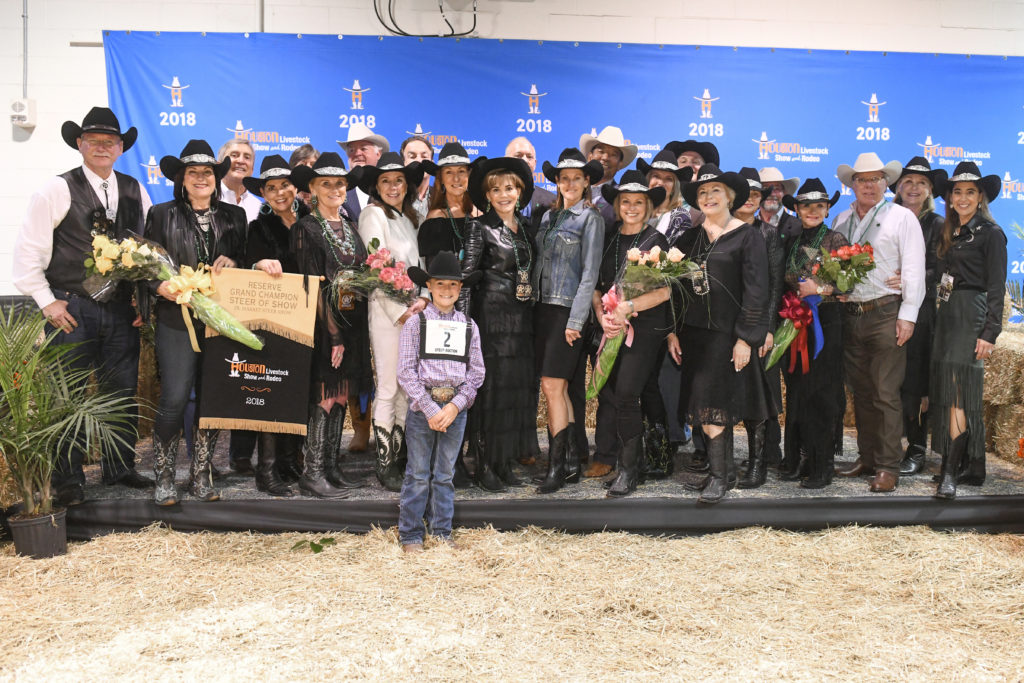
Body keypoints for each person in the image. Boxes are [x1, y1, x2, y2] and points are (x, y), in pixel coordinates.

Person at [12, 106, 154, 506]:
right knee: (68, 396)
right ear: (80, 144)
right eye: (94, 140)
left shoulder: (134, 189)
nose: (102, 147)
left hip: (121, 310)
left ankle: (119, 465)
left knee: (121, 392)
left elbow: (142, 253)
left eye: (110, 141)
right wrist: (48, 303)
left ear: (121, 147)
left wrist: (141, 300)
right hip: (72, 308)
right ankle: (68, 479)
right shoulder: (56, 189)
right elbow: (27, 256)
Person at [145, 139, 246, 505]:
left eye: (207, 172)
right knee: (174, 396)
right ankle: (165, 476)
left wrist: (234, 262)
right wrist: (159, 285)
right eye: (193, 173)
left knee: (212, 397)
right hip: (176, 318)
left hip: (220, 321)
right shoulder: (160, 214)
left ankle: (201, 474)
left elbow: (246, 262)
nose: (201, 178)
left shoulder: (235, 217)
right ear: (182, 179)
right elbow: (145, 267)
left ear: (217, 178)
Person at [668, 165, 771, 504]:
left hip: (726, 337)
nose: (708, 197)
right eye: (702, 193)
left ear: (730, 196)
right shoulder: (689, 238)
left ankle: (717, 478)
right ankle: (723, 472)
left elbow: (758, 291)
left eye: (715, 191)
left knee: (714, 406)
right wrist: (673, 332)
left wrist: (746, 338)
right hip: (694, 335)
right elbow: (675, 289)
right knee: (703, 405)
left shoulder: (748, 236)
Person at [832, 153, 926, 493]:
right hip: (851, 314)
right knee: (861, 391)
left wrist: (908, 314)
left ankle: (889, 465)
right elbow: (833, 264)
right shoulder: (841, 219)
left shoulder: (902, 218)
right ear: (852, 185)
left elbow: (913, 268)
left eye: (875, 179)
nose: (868, 185)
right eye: (861, 179)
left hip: (886, 313)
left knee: (885, 393)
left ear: (886, 184)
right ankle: (868, 457)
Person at [288, 152, 373, 498]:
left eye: (340, 183)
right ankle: (313, 472)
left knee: (341, 394)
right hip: (324, 325)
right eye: (327, 183)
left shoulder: (352, 227)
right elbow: (312, 283)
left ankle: (331, 467)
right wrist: (334, 335)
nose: (335, 188)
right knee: (324, 394)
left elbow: (363, 274)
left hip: (353, 322)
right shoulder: (304, 229)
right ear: (312, 188)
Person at [396, 252, 485, 553]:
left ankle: (442, 532)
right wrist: (431, 407)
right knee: (418, 473)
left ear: (461, 289)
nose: (447, 290)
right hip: (424, 409)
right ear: (429, 287)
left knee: (445, 474)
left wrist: (455, 405)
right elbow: (406, 372)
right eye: (440, 284)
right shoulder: (415, 324)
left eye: (453, 285)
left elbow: (476, 373)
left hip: (454, 409)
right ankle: (410, 535)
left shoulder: (468, 326)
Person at [930, 162, 1006, 499]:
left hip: (971, 315)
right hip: (947, 316)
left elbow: (996, 286)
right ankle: (974, 465)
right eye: (957, 192)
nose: (962, 198)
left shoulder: (992, 234)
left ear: (981, 197)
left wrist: (989, 332)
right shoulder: (951, 233)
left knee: (958, 393)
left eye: (970, 192)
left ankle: (950, 471)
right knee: (951, 391)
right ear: (949, 198)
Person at [461, 156, 537, 490]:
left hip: (522, 320)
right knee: (490, 392)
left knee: (512, 393)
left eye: (509, 188)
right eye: (496, 190)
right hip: (491, 318)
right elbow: (467, 277)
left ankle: (504, 461)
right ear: (487, 196)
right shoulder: (479, 227)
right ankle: (483, 464)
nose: (504, 194)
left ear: (519, 191)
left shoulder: (527, 228)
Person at [592, 171, 670, 496]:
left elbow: (666, 292)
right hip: (612, 327)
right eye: (626, 201)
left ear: (648, 206)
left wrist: (629, 307)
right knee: (613, 392)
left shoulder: (656, 241)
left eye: (639, 202)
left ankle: (628, 469)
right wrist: (602, 315)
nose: (632, 207)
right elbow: (597, 288)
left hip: (645, 328)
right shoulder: (609, 236)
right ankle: (646, 459)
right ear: (617, 204)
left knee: (627, 392)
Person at [532, 148, 604, 494]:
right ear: (556, 182)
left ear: (587, 181)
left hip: (567, 312)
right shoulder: (548, 218)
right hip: (543, 310)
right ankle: (573, 459)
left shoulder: (591, 219)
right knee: (558, 388)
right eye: (564, 178)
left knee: (552, 386)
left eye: (577, 178)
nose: (570, 183)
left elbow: (590, 273)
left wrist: (577, 319)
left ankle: (556, 467)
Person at [238, 154, 311, 496]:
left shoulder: (313, 220)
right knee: (271, 391)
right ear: (263, 193)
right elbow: (247, 263)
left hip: (309, 315)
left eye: (285, 185)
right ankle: (265, 471)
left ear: (296, 188)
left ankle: (290, 460)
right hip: (274, 318)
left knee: (298, 389)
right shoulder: (259, 226)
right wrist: (258, 263)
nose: (280, 192)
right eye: (272, 188)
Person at [358, 151, 428, 491]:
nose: (393, 186)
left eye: (398, 180)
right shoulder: (373, 215)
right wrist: (400, 310)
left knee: (405, 386)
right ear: (376, 186)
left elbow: (420, 264)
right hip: (389, 313)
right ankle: (384, 462)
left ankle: (398, 455)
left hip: (414, 311)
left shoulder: (408, 217)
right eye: (385, 180)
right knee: (388, 385)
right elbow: (377, 265)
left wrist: (424, 299)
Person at [778, 179, 849, 488]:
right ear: (796, 209)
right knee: (798, 393)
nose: (812, 211)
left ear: (828, 209)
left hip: (826, 325)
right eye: (806, 206)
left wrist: (818, 288)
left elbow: (848, 285)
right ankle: (799, 458)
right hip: (795, 324)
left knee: (821, 394)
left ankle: (823, 466)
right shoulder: (790, 240)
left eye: (819, 206)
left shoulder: (835, 238)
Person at [889, 157, 947, 476]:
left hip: (921, 312)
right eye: (908, 181)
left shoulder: (937, 224)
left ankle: (917, 446)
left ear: (929, 190)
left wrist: (908, 279)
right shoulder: (885, 218)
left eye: (920, 183)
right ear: (898, 187)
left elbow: (939, 271)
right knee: (888, 381)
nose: (913, 188)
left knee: (915, 382)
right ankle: (888, 446)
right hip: (885, 307)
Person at [732, 167, 784, 487]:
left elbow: (775, 287)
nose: (752, 200)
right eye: (746, 193)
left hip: (756, 326)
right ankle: (721, 462)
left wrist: (766, 328)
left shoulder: (769, 234)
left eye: (757, 194)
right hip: (726, 325)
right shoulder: (718, 231)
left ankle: (758, 463)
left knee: (758, 397)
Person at [418, 142, 475, 264]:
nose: (456, 178)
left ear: (469, 175)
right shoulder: (436, 219)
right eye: (449, 172)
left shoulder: (479, 213)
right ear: (441, 179)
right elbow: (433, 270)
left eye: (461, 171)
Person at [580, 125, 638, 231]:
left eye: (613, 155)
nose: (605, 158)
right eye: (601, 151)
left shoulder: (622, 198)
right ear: (590, 157)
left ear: (620, 164)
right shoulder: (573, 191)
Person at [639, 149, 693, 243]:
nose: (661, 183)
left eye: (668, 179)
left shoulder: (681, 218)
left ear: (674, 187)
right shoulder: (634, 211)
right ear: (648, 180)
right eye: (656, 176)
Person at [339, 122, 389, 223]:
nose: (357, 154)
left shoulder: (391, 188)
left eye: (363, 148)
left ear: (378, 154)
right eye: (352, 150)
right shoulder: (338, 190)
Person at [506, 136, 556, 235]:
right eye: (518, 155)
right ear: (506, 160)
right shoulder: (493, 200)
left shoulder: (552, 201)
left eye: (529, 157)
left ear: (535, 163)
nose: (525, 160)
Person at [217, 139, 262, 222]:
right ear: (220, 165)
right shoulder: (205, 200)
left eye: (247, 157)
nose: (241, 161)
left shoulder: (258, 208)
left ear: (252, 169)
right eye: (234, 155)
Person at [757, 168, 802, 238]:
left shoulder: (799, 227)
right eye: (765, 188)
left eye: (777, 188)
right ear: (757, 194)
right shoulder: (747, 225)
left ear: (784, 193)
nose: (771, 193)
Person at [401, 135, 434, 220]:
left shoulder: (443, 198)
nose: (419, 160)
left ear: (432, 163)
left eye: (424, 156)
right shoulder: (392, 196)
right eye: (412, 156)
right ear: (403, 163)